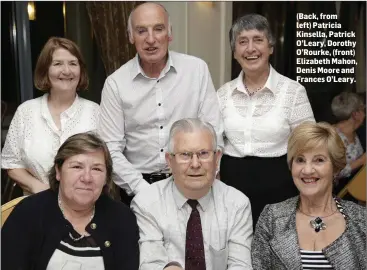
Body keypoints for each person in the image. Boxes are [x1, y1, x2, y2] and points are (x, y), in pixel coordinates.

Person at [98, 3, 223, 204]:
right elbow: (110, 148)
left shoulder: (196, 70)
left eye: (158, 29)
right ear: (131, 37)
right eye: (141, 31)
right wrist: (143, 190)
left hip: (192, 181)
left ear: (170, 33)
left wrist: (207, 178)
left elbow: (213, 131)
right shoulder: (115, 84)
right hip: (138, 188)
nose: (151, 39)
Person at [217, 14, 315, 225]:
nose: (250, 48)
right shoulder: (222, 94)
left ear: (270, 47)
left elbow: (309, 146)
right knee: (236, 254)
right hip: (230, 193)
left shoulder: (293, 92)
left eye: (258, 39)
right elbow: (213, 143)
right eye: (242, 42)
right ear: (235, 52)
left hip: (281, 191)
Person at [2, 132, 139, 270]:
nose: (87, 178)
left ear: (106, 178)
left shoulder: (122, 218)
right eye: (77, 167)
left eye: (96, 169)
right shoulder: (28, 213)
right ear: (58, 171)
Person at [131, 118, 253, 270]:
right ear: (169, 160)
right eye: (185, 155)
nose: (195, 164)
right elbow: (151, 265)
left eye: (203, 153)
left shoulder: (237, 204)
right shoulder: (147, 203)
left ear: (217, 158)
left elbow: (240, 266)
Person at [251, 122, 366, 270]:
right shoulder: (272, 218)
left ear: (335, 168)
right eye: (300, 160)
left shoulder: (361, 220)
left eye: (319, 160)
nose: (307, 170)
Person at [1, 37, 100, 195]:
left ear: (81, 70)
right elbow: (11, 162)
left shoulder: (96, 113)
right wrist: (35, 186)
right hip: (37, 206)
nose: (66, 71)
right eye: (58, 63)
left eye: (73, 63)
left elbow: (107, 164)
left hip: (86, 206)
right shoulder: (26, 112)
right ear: (45, 70)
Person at [331, 91, 366, 193]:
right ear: (356, 114)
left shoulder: (358, 132)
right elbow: (332, 173)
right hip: (337, 195)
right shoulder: (331, 136)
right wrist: (362, 160)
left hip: (356, 188)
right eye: (363, 109)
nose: (365, 114)